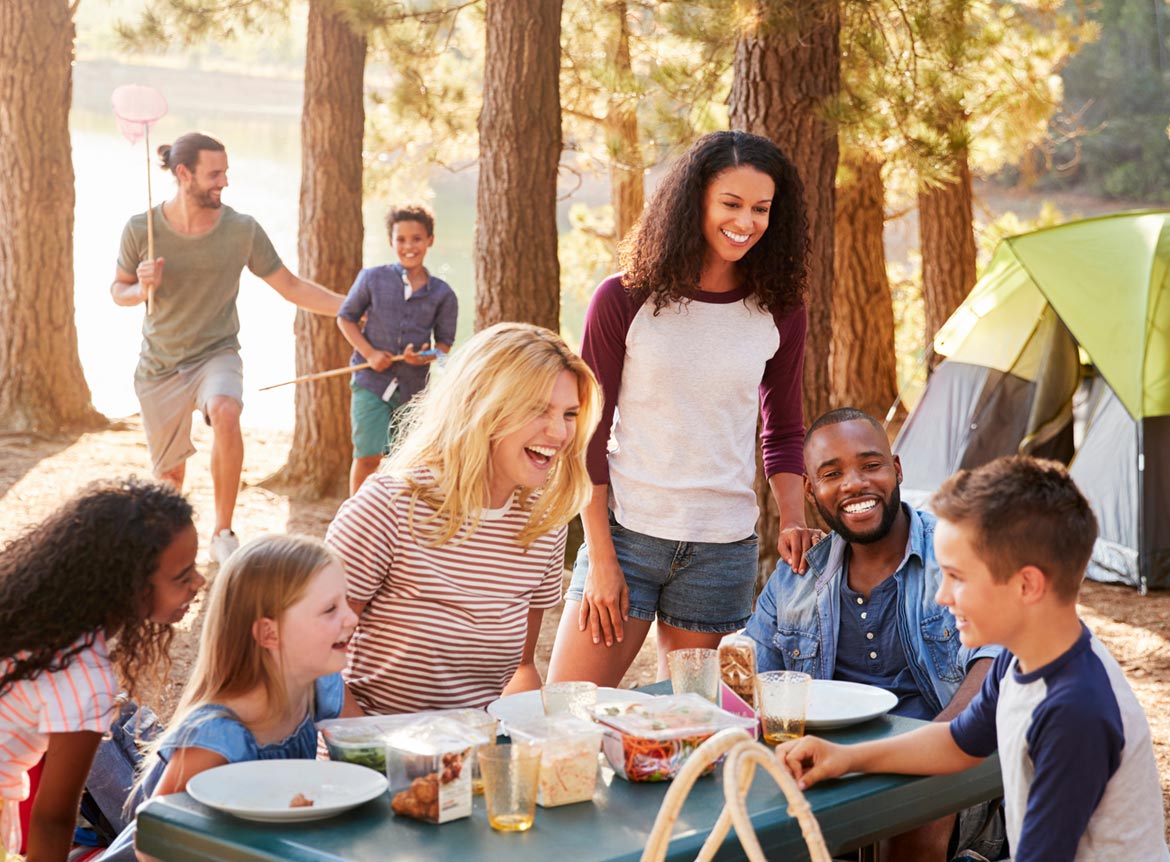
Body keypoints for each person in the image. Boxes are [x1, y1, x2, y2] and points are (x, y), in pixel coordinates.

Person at [778, 456, 1170, 862]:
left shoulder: (1074, 711)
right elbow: (958, 741)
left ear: (1026, 584)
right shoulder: (1024, 656)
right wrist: (844, 757)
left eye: (957, 577)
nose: (943, 596)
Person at [547, 129, 821, 688]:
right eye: (731, 204)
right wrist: (600, 558)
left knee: (689, 727)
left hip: (722, 549)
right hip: (627, 535)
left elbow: (784, 428)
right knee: (568, 716)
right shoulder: (623, 298)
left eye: (761, 209)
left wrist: (792, 516)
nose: (746, 222)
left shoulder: (780, 310)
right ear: (693, 199)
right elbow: (588, 437)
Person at [743, 408, 1002, 861]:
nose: (854, 484)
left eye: (870, 465)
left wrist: (930, 749)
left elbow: (994, 668)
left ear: (896, 468)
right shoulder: (795, 580)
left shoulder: (957, 553)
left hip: (943, 764)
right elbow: (747, 683)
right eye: (832, 473)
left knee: (916, 809)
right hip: (825, 768)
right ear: (810, 490)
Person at [325, 322, 600, 715]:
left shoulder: (545, 524)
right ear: (482, 407)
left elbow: (521, 669)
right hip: (370, 759)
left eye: (569, 413)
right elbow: (314, 665)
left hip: (472, 759)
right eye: (539, 409)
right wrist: (379, 751)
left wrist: (529, 740)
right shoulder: (385, 508)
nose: (558, 432)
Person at [111, 131, 345, 564]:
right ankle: (169, 545)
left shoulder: (241, 230)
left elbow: (290, 286)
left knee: (225, 409)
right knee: (169, 474)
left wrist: (352, 307)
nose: (224, 182)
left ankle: (222, 532)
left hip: (216, 352)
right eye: (214, 174)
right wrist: (141, 289)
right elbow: (118, 292)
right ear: (184, 174)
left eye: (226, 172)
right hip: (159, 364)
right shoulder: (140, 229)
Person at [100, 534, 360, 862]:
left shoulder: (318, 685)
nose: (351, 618)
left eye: (347, 602)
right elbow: (153, 842)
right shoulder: (217, 735)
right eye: (330, 609)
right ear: (269, 634)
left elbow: (372, 747)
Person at [0, 478, 201, 862]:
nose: (199, 582)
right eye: (183, 576)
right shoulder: (83, 676)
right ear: (129, 586)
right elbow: (52, 821)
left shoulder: (31, 611)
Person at [337, 204, 458, 496]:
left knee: (405, 461)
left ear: (430, 240)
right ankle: (357, 521)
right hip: (371, 385)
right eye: (401, 239)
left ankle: (395, 523)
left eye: (416, 239)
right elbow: (345, 318)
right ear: (391, 241)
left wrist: (424, 357)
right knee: (367, 457)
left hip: (413, 392)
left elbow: (443, 347)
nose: (408, 246)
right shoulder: (372, 279)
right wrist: (369, 353)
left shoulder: (443, 294)